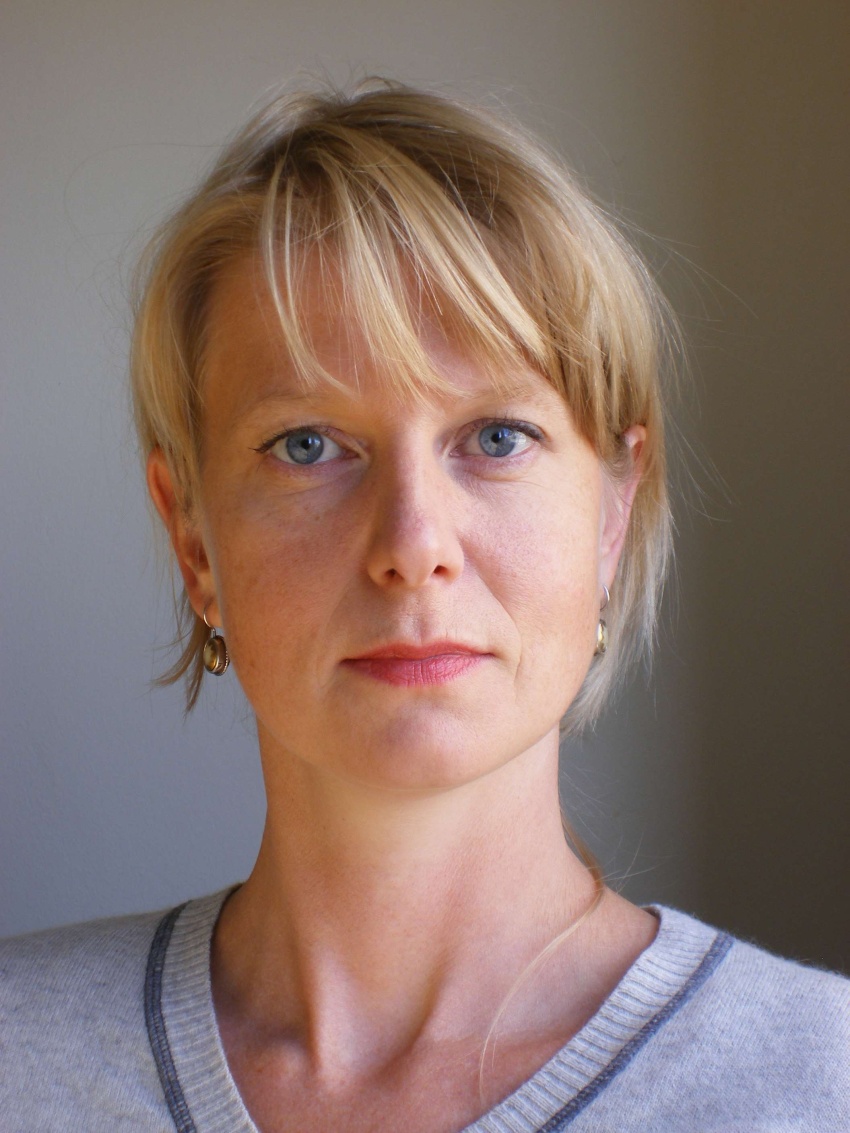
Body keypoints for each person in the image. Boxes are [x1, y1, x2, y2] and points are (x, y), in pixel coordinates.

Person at [1, 78, 847, 1133]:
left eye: (496, 437)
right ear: (193, 540)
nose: (412, 546)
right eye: (307, 444)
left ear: (611, 513)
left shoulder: (820, 1083)